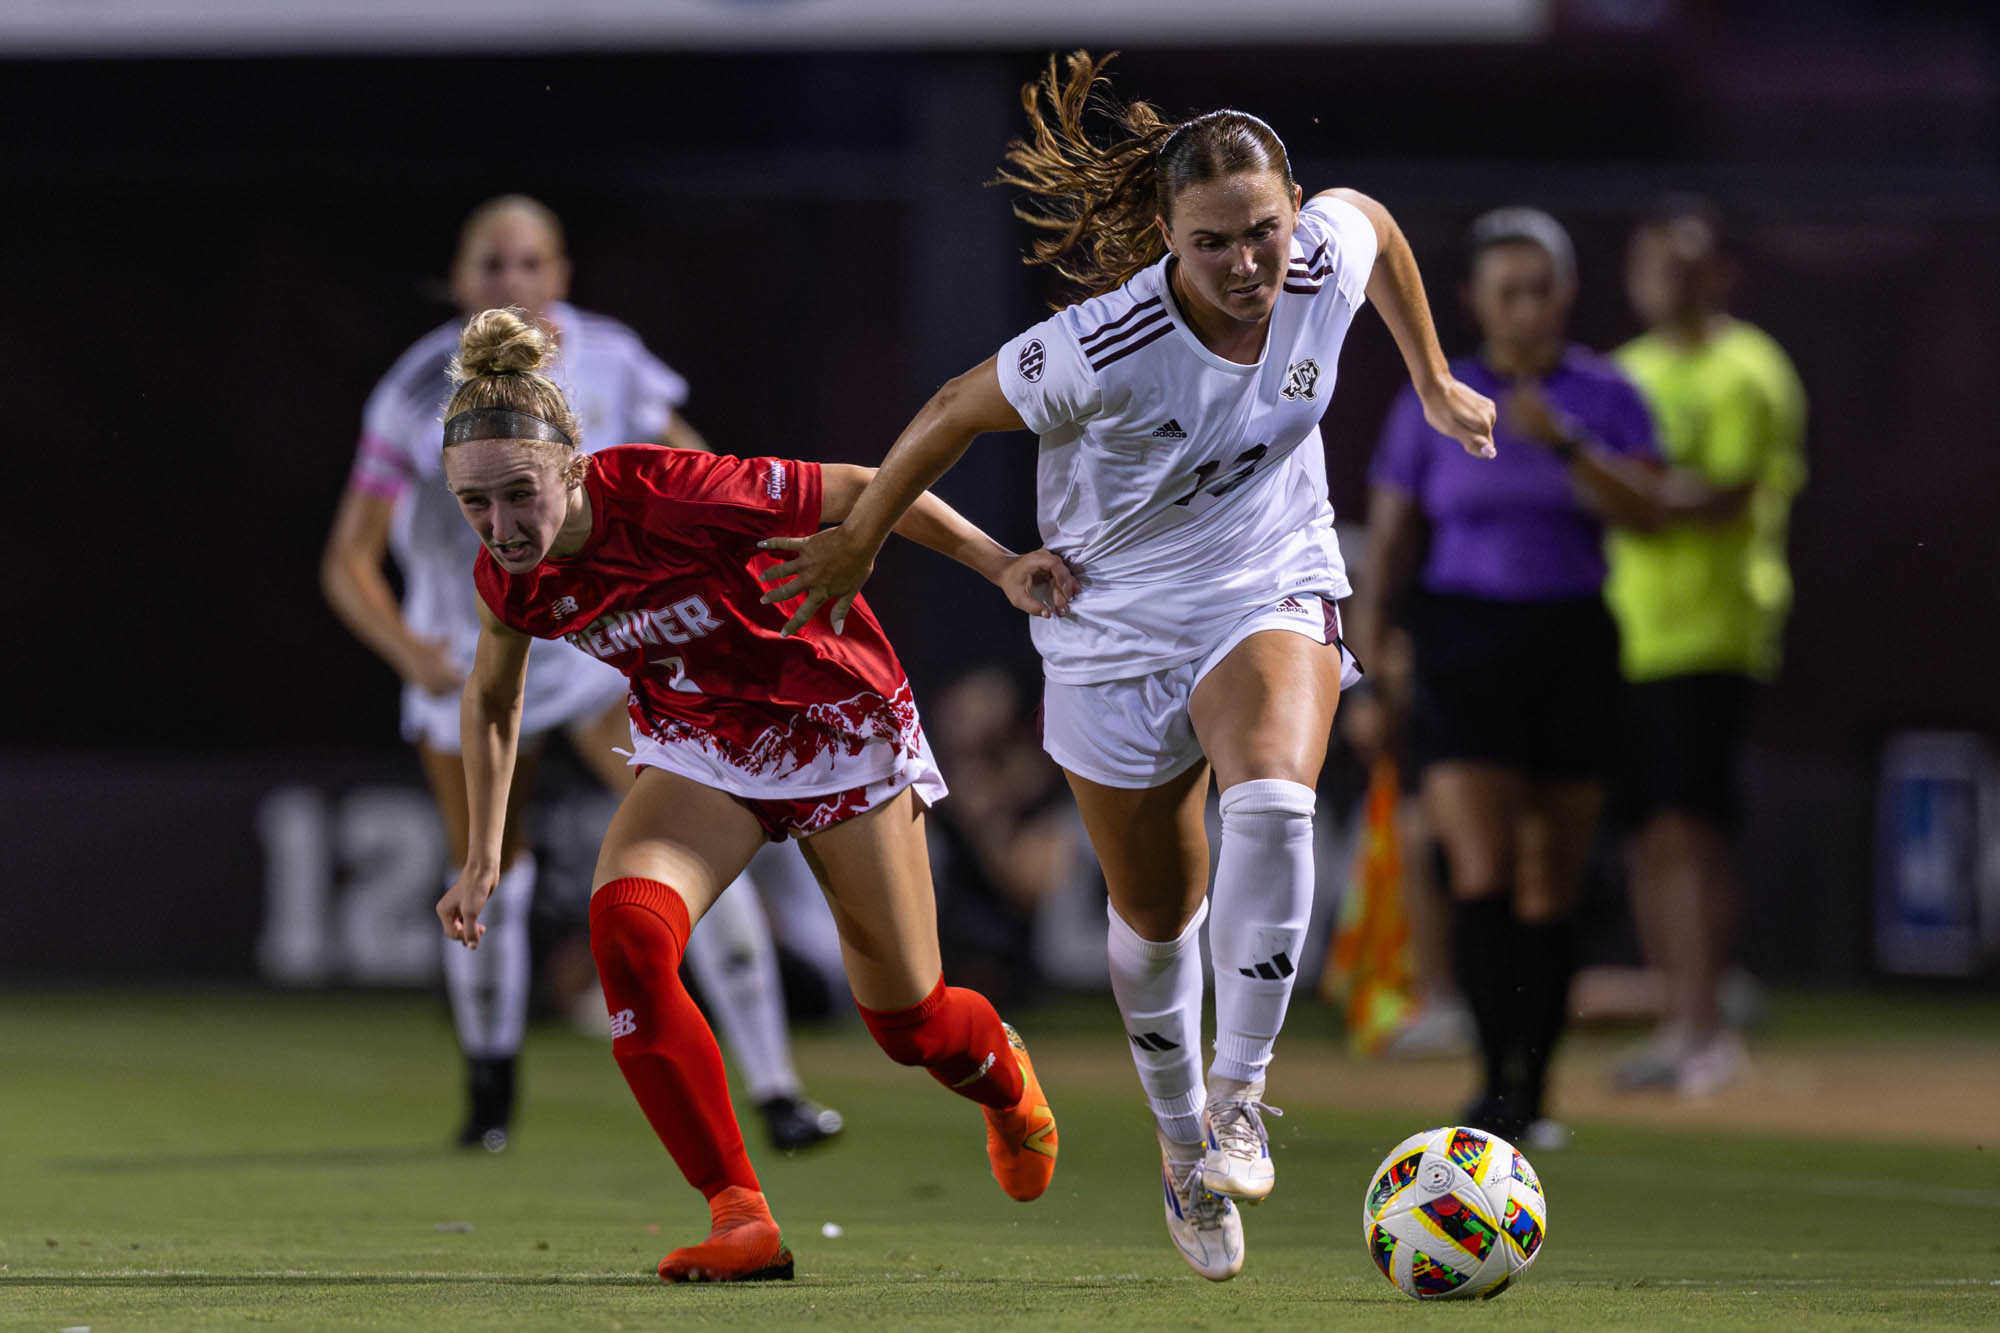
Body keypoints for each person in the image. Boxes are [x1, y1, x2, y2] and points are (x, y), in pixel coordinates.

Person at [752, 51, 1497, 1282]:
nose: (1248, 264)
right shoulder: (1102, 344)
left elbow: (1379, 229)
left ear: (1289, 208)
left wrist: (1429, 375)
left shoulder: (1323, 252)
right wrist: (860, 538)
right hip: (1108, 626)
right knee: (1157, 918)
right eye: (1213, 243)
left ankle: (1243, 1095)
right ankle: (1177, 1136)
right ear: (1165, 235)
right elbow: (946, 406)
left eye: (1263, 231)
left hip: (1263, 583)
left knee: (1272, 794)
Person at [435, 307, 1064, 1283]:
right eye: (475, 507)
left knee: (910, 1024)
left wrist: (1000, 567)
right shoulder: (511, 577)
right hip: (700, 750)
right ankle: (742, 1218)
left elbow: (862, 488)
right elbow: (490, 696)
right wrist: (483, 854)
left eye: (519, 496)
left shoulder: (676, 492)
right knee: (628, 938)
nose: (503, 529)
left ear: (571, 468)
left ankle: (1001, 1078)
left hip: (835, 729)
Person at [321, 194, 841, 1153]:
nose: (511, 283)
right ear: (460, 278)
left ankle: (775, 1086)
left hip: (603, 644)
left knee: (695, 852)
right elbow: (346, 558)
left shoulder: (611, 358)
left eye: (529, 265)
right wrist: (411, 652)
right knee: (490, 870)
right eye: (492, 265)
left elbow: (694, 472)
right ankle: (490, 1093)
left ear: (558, 276)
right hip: (481, 646)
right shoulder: (410, 395)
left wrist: (755, 553)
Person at [1358, 206, 1672, 1148]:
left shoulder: (1606, 395)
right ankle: (1492, 1087)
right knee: (1484, 867)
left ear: (1565, 296)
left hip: (1572, 638)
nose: (1525, 308)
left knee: (1552, 879)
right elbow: (1391, 548)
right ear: (1472, 301)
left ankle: (1535, 1089)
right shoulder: (1437, 399)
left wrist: (1568, 442)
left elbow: (1653, 514)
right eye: (1507, 292)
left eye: (1540, 290)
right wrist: (1372, 673)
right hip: (1464, 641)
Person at [1605, 195, 1807, 1098]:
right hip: (1625, 629)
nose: (1669, 284)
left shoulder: (1751, 369)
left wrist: (1619, 484)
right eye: (1656, 267)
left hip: (1712, 629)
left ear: (1718, 276)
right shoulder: (1621, 373)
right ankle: (1676, 1021)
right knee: (1650, 834)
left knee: (1693, 831)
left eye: (1687, 269)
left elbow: (1722, 493)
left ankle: (1707, 1026)